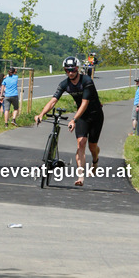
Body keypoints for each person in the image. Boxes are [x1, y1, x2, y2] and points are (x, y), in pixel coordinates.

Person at [35, 57, 104, 186]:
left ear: (77, 69)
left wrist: (73, 119)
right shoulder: (64, 84)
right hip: (82, 117)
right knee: (81, 143)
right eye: (67, 70)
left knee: (92, 146)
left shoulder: (87, 81)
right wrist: (41, 114)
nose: (70, 73)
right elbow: (53, 100)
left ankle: (95, 160)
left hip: (95, 116)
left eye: (73, 70)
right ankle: (80, 176)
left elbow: (84, 103)